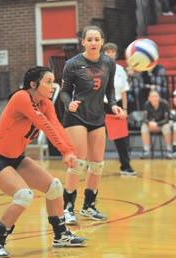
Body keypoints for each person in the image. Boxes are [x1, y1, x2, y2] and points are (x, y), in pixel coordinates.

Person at [0, 66, 87, 258]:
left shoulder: (45, 104)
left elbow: (56, 125)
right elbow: (44, 125)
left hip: (16, 157)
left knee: (54, 188)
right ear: (33, 84)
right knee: (23, 195)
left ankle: (61, 235)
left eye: (53, 81)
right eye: (48, 81)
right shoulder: (21, 97)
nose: (52, 86)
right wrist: (64, 151)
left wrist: (70, 151)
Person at [60, 25, 124, 225]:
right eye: (89, 40)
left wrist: (113, 105)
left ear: (102, 41)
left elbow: (110, 90)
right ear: (83, 42)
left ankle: (89, 206)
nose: (93, 43)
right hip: (76, 116)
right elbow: (64, 91)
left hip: (97, 116)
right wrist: (67, 103)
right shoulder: (72, 64)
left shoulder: (109, 63)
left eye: (97, 39)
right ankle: (68, 208)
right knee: (78, 162)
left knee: (97, 165)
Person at [102, 42, 137, 176]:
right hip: (101, 106)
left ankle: (125, 166)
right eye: (108, 51)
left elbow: (124, 91)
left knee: (121, 138)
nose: (110, 54)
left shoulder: (120, 70)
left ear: (116, 54)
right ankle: (92, 166)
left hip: (117, 106)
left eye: (113, 51)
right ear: (103, 53)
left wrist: (125, 109)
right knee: (96, 138)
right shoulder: (98, 69)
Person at [140, 90, 173, 159]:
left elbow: (167, 119)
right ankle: (146, 150)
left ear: (159, 97)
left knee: (167, 127)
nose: (154, 98)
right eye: (152, 96)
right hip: (151, 125)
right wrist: (149, 123)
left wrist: (157, 124)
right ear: (149, 98)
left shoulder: (165, 104)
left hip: (162, 125)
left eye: (156, 96)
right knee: (144, 126)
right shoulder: (147, 104)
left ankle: (169, 150)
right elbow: (144, 118)